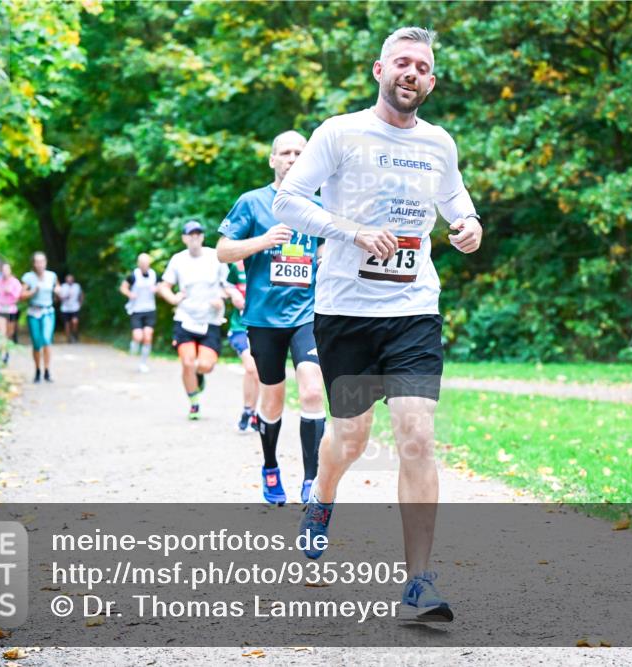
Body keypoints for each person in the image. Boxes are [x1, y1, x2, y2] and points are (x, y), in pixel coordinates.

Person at [272, 27, 483, 623]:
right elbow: (288, 201)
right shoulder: (340, 132)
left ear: (432, 82)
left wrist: (469, 225)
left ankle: (419, 581)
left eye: (423, 67)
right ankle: (321, 494)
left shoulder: (439, 142)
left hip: (413, 310)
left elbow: (456, 199)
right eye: (402, 63)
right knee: (352, 439)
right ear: (379, 70)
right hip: (347, 314)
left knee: (416, 435)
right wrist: (352, 231)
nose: (412, 73)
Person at [217, 130, 325, 506]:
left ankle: (312, 479)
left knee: (312, 391)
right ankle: (270, 466)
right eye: (286, 152)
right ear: (273, 159)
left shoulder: (318, 205)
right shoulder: (252, 202)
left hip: (307, 315)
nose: (293, 158)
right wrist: (264, 240)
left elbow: (327, 249)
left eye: (300, 153)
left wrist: (327, 257)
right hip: (263, 319)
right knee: (273, 400)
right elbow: (223, 251)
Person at [158, 220, 244, 420]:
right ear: (184, 238)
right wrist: (173, 298)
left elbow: (228, 285)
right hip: (185, 318)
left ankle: (199, 376)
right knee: (187, 362)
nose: (195, 237)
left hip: (210, 320)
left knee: (205, 365)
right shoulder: (178, 259)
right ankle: (194, 403)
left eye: (198, 233)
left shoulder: (215, 256)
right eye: (191, 234)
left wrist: (221, 297)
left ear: (203, 237)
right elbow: (164, 286)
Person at [226, 260, 260, 433]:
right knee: (251, 367)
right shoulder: (237, 266)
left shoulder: (266, 263)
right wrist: (233, 293)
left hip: (261, 326)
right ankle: (248, 410)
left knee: (257, 373)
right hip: (239, 327)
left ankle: (252, 412)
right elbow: (227, 285)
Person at [20, 252, 60, 383]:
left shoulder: (52, 276)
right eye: (37, 262)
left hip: (48, 312)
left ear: (46, 262)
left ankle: (47, 370)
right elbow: (21, 295)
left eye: (42, 261)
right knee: (37, 342)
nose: (40, 264)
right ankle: (37, 370)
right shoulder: (28, 277)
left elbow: (58, 287)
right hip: (33, 312)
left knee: (47, 340)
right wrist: (33, 291)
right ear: (33, 264)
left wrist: (58, 290)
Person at [120, 253, 158, 373]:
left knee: (148, 336)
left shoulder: (154, 275)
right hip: (136, 310)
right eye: (142, 263)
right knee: (138, 336)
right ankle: (134, 347)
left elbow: (162, 285)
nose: (144, 265)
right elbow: (123, 287)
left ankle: (143, 363)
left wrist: (157, 288)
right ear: (138, 264)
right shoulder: (133, 276)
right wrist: (130, 294)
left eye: (146, 263)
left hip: (150, 309)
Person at [0, 261, 22, 365]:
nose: (5, 272)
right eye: (3, 270)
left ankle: (5, 351)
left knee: (9, 333)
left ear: (10, 270)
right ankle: (1, 354)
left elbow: (19, 296)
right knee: (1, 332)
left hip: (11, 310)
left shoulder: (15, 282)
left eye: (7, 269)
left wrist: (10, 291)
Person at [58, 274, 83, 343]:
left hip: (75, 308)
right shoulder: (63, 287)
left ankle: (74, 334)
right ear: (66, 280)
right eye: (68, 279)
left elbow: (81, 295)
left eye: (70, 279)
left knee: (75, 322)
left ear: (73, 280)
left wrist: (80, 304)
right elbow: (59, 297)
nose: (69, 280)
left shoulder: (77, 286)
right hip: (65, 308)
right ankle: (68, 338)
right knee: (67, 324)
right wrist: (64, 297)